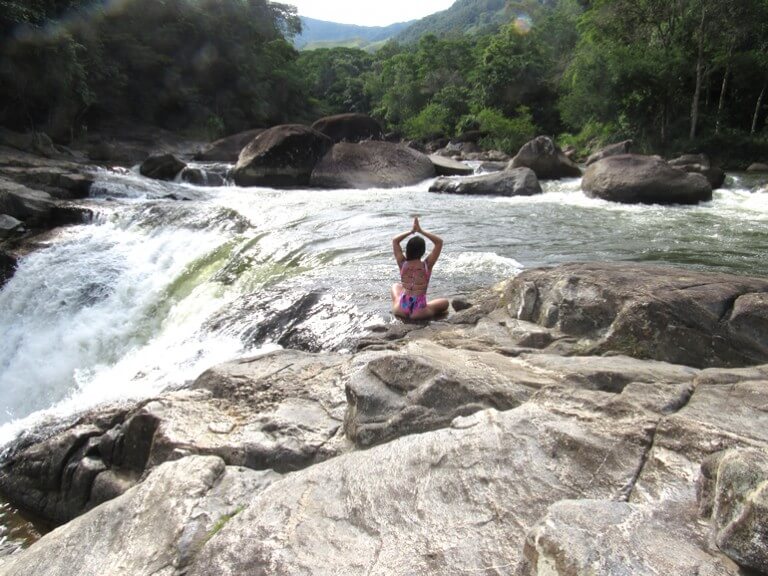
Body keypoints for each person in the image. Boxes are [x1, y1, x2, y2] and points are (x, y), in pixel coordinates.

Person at [391, 217, 450, 320]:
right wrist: (421, 231)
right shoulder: (427, 265)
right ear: (422, 251)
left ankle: (401, 306)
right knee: (445, 303)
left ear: (408, 249)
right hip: (419, 312)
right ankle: (423, 309)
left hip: (400, 309)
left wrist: (411, 231)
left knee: (395, 286)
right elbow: (439, 242)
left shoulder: (402, 263)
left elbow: (395, 241)